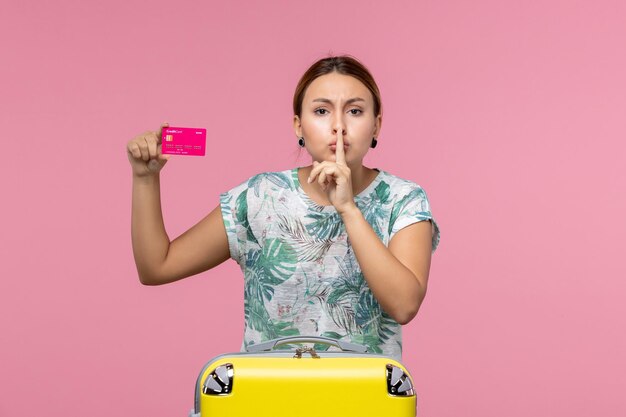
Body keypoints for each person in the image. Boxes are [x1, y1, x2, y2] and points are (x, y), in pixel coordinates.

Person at [126, 55, 440, 360]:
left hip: (366, 401)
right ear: (298, 126)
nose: (339, 125)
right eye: (321, 111)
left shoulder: (403, 199)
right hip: (269, 397)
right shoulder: (262, 197)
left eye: (355, 111)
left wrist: (348, 210)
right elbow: (157, 266)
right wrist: (144, 179)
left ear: (376, 126)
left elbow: (404, 305)